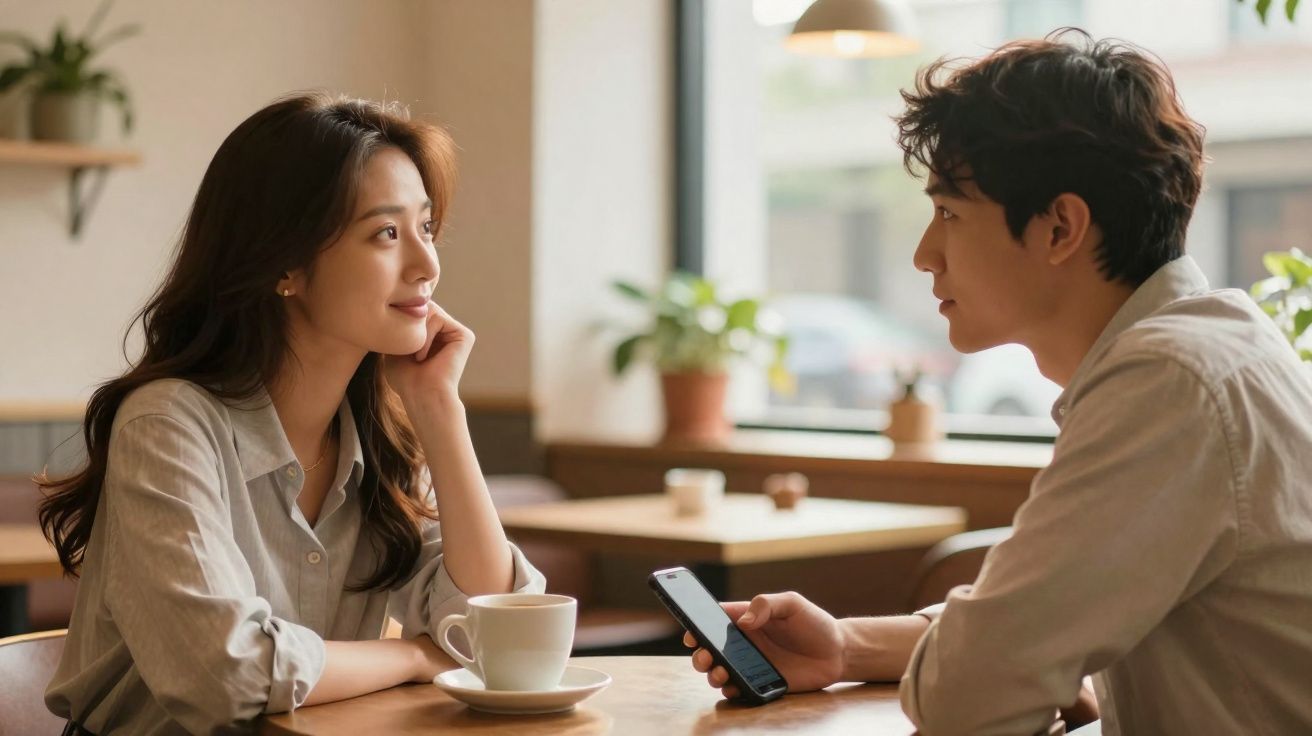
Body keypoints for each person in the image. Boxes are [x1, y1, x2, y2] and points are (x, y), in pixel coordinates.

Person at [684, 29, 1312, 736]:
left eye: (950, 213)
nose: (925, 254)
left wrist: (997, 668)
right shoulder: (1206, 349)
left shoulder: (1170, 382)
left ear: (1059, 229)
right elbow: (1033, 629)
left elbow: (968, 694)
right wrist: (848, 646)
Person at [38, 92, 546, 735]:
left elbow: (498, 631)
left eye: (426, 228)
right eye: (387, 233)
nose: (428, 266)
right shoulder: (167, 426)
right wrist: (414, 656)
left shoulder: (380, 436)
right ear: (286, 264)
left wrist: (438, 408)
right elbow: (226, 676)